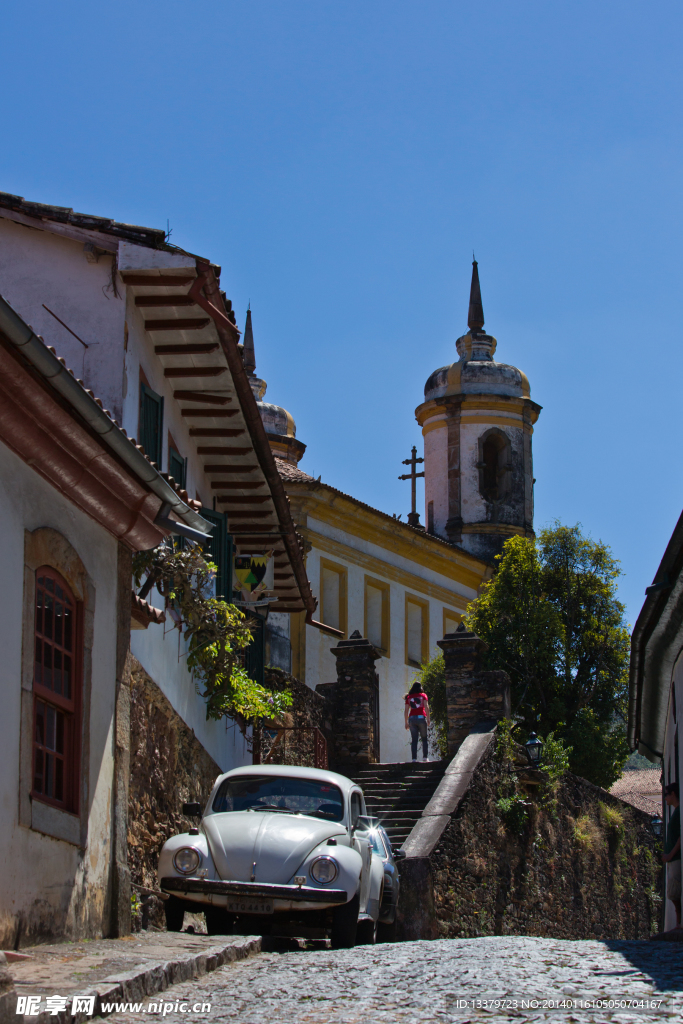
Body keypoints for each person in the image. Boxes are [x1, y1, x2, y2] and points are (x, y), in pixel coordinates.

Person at [662, 781, 681, 930]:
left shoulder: (679, 812)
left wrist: (670, 855)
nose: (665, 798)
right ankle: (678, 922)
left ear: (673, 794)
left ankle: (679, 922)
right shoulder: (676, 812)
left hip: (675, 858)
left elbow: (680, 837)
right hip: (672, 858)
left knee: (674, 892)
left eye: (667, 795)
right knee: (673, 892)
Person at [404, 682, 430, 762]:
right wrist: (428, 718)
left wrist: (406, 723)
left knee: (414, 740)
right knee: (424, 738)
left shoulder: (409, 697)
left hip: (412, 719)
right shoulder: (423, 695)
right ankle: (425, 758)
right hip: (421, 718)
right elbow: (426, 707)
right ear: (420, 688)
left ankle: (414, 759)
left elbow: (406, 711)